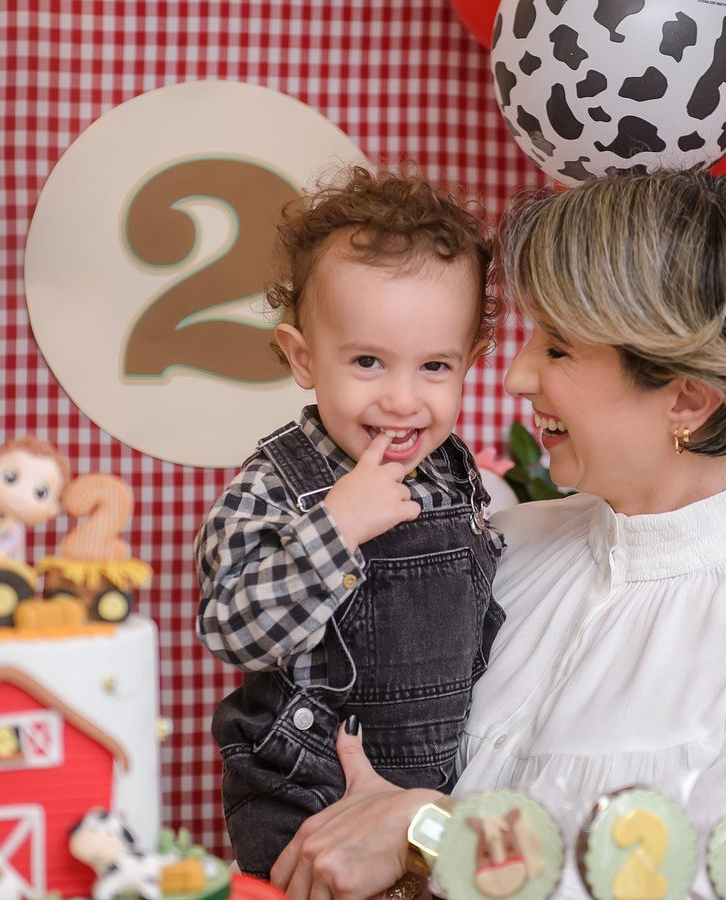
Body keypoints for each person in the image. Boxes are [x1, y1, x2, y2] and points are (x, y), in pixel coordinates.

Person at [269, 168, 726, 900]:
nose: (517, 378)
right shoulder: (497, 547)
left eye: (557, 349)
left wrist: (429, 834)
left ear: (689, 398)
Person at [194, 167, 506, 879]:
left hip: (437, 792)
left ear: (471, 364)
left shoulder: (453, 476)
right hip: (306, 796)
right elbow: (229, 630)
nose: (402, 399)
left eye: (434, 366)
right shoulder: (276, 486)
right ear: (303, 358)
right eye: (368, 361)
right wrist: (334, 529)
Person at [0, 437, 71, 562]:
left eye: (40, 492)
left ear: (53, 508)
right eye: (10, 477)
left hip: (6, 570)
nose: (21, 493)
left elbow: (0, 551)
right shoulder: (6, 526)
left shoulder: (14, 530)